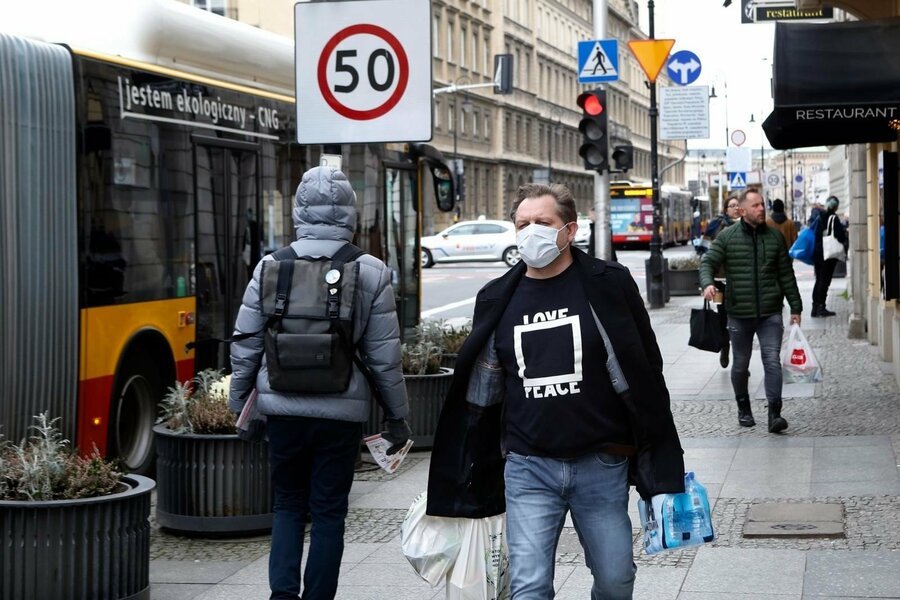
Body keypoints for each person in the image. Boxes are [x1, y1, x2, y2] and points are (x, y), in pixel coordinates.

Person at [427, 183, 685, 599]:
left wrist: (659, 456)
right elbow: (482, 391)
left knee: (616, 579)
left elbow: (646, 373)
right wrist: (470, 467)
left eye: (542, 223)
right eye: (523, 224)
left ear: (569, 230)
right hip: (529, 467)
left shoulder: (609, 284)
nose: (532, 231)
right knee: (529, 586)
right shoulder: (496, 297)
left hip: (601, 462)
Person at [229, 166, 411, 600]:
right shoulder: (371, 271)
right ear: (350, 212)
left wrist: (241, 407)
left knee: (288, 505)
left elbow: (246, 344)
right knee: (329, 513)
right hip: (341, 413)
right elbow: (385, 357)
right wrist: (398, 417)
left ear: (298, 210)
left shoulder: (270, 266)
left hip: (282, 410)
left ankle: (283, 595)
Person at [700, 189, 802, 433]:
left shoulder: (775, 237)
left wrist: (796, 307)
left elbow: (786, 274)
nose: (761, 209)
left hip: (770, 311)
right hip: (739, 313)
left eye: (762, 204)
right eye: (756, 205)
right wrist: (707, 283)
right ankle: (743, 408)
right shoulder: (727, 237)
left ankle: (774, 414)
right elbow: (708, 262)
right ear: (742, 210)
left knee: (772, 362)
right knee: (740, 364)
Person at [702, 196, 741, 368]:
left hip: (739, 282)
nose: (735, 208)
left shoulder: (747, 226)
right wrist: (706, 280)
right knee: (722, 316)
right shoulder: (717, 225)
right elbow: (704, 250)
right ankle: (725, 346)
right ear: (726, 209)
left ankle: (740, 360)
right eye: (732, 206)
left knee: (739, 318)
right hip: (718, 282)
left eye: (737, 205)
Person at [812, 195, 848, 317]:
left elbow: (815, 234)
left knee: (818, 280)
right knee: (825, 281)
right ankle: (821, 307)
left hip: (817, 252)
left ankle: (815, 307)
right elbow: (840, 236)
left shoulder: (819, 216)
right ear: (836, 207)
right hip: (827, 254)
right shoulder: (833, 218)